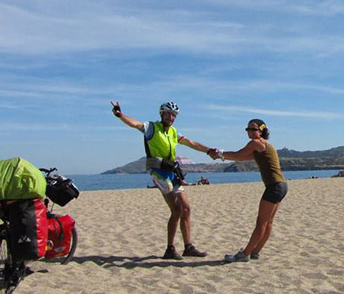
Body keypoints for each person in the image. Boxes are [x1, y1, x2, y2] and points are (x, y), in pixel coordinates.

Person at [111, 101, 211, 260]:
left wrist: (209, 151)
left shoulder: (173, 132)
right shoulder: (152, 127)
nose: (171, 117)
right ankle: (170, 249)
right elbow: (135, 124)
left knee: (186, 209)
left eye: (174, 115)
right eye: (168, 114)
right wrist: (120, 115)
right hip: (158, 172)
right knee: (176, 210)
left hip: (172, 172)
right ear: (162, 114)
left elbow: (191, 143)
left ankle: (188, 247)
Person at [209, 119, 288, 262]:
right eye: (248, 129)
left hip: (274, 186)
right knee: (268, 222)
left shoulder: (256, 143)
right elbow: (243, 157)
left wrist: (220, 153)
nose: (250, 132)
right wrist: (222, 156)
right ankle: (255, 252)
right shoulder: (264, 145)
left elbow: (238, 155)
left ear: (261, 130)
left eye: (253, 129)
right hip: (281, 185)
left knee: (261, 223)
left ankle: (244, 254)